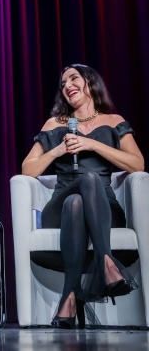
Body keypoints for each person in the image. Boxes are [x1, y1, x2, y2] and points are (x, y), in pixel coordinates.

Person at [22, 63, 144, 329]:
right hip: (59, 205)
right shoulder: (55, 124)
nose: (67, 86)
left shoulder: (114, 121)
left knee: (81, 195)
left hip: (104, 208)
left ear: (90, 83)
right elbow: (27, 169)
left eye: (73, 79)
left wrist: (93, 144)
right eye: (63, 84)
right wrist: (56, 151)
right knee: (77, 192)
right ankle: (106, 261)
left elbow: (137, 164)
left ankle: (69, 296)